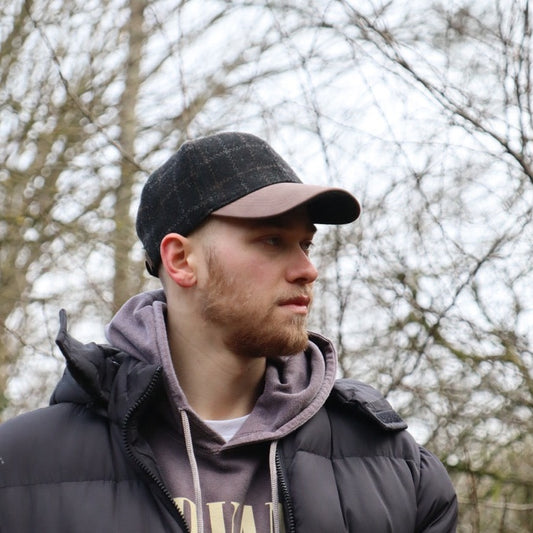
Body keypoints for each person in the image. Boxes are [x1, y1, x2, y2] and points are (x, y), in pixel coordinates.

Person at [0, 131, 458, 532]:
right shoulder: (20, 470)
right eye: (273, 240)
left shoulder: (396, 467)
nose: (307, 269)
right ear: (181, 261)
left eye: (306, 244)